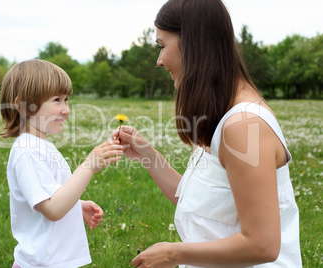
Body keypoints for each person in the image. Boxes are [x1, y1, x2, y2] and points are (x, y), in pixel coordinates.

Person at [113, 0, 302, 267]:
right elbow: (200, 203)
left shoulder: (243, 125)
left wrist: (173, 253)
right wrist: (149, 156)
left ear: (193, 43)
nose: (159, 60)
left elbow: (262, 244)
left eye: (162, 45)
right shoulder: (221, 116)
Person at [0, 59, 123, 268]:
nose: (65, 109)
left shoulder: (39, 145)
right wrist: (88, 166)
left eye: (66, 100)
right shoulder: (27, 152)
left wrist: (77, 206)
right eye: (56, 100)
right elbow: (53, 209)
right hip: (42, 262)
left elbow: (48, 195)